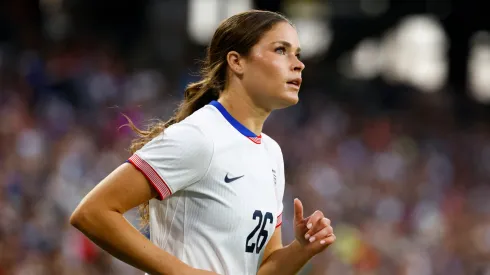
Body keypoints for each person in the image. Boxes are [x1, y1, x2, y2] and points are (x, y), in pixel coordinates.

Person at [70, 10, 335, 275]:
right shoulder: (200, 136)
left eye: (297, 54)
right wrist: (182, 272)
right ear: (236, 62)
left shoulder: (271, 153)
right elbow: (92, 212)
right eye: (281, 50)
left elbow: (262, 270)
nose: (298, 64)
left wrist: (302, 249)